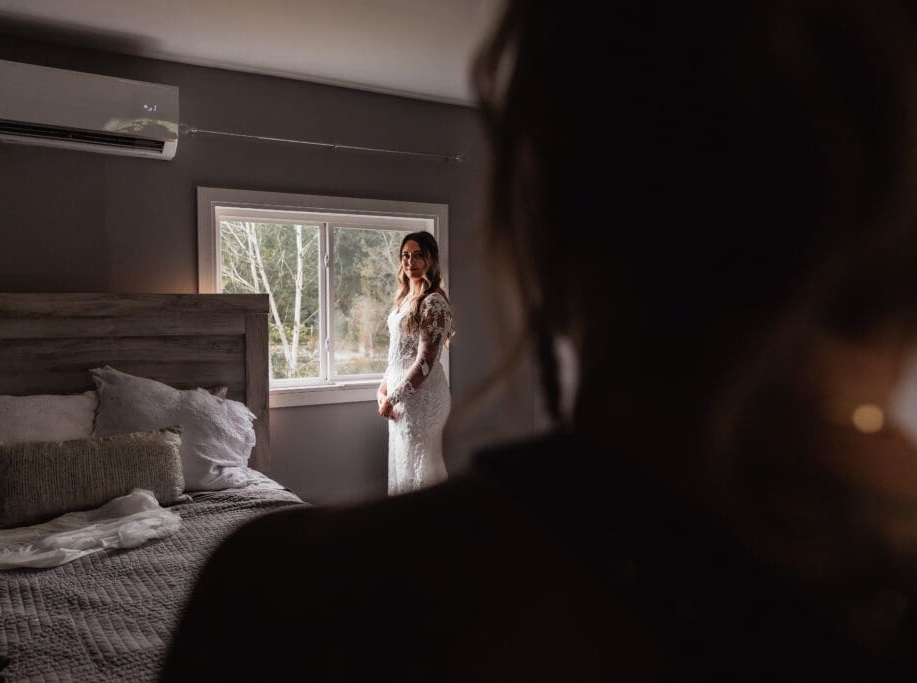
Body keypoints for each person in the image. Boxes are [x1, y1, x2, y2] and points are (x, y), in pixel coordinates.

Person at [162, 1, 917, 680]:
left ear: (545, 227)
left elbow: (427, 353)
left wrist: (407, 385)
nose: (409, 261)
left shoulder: (286, 597)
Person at [377, 231, 453, 494]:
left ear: (431, 258)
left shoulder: (433, 303)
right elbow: (397, 353)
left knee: (421, 469)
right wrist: (382, 389)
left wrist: (393, 397)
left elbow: (424, 363)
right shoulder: (404, 300)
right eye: (405, 255)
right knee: (403, 466)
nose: (410, 261)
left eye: (418, 255)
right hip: (401, 397)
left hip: (424, 398)